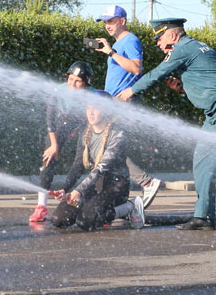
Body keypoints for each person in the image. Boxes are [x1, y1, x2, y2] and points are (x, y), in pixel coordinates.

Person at [119, 18, 216, 234]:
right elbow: (208, 81)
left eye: (159, 38)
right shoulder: (195, 47)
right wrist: (181, 89)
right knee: (203, 163)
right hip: (215, 111)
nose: (158, 44)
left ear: (172, 35)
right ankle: (204, 217)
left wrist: (131, 91)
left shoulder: (183, 48)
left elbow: (156, 73)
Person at [93, 4, 161, 209]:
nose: (107, 25)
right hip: (114, 102)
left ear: (122, 21)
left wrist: (111, 52)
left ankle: (147, 182)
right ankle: (117, 200)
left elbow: (136, 68)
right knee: (110, 149)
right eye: (105, 22)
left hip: (123, 102)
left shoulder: (130, 40)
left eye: (111, 21)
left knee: (111, 149)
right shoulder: (120, 42)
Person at [50, 90, 145, 231]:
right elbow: (78, 165)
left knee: (85, 222)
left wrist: (79, 191)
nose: (91, 112)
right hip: (94, 185)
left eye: (96, 108)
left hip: (116, 186)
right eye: (89, 108)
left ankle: (130, 207)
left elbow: (101, 168)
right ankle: (91, 207)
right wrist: (65, 189)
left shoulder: (118, 134)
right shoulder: (85, 133)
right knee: (59, 219)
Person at [29, 61, 94, 223]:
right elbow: (50, 118)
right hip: (64, 120)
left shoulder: (93, 95)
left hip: (86, 122)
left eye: (78, 81)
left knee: (82, 158)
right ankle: (41, 207)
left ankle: (65, 190)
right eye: (70, 79)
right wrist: (54, 145)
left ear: (86, 83)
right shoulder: (59, 90)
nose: (72, 84)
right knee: (48, 157)